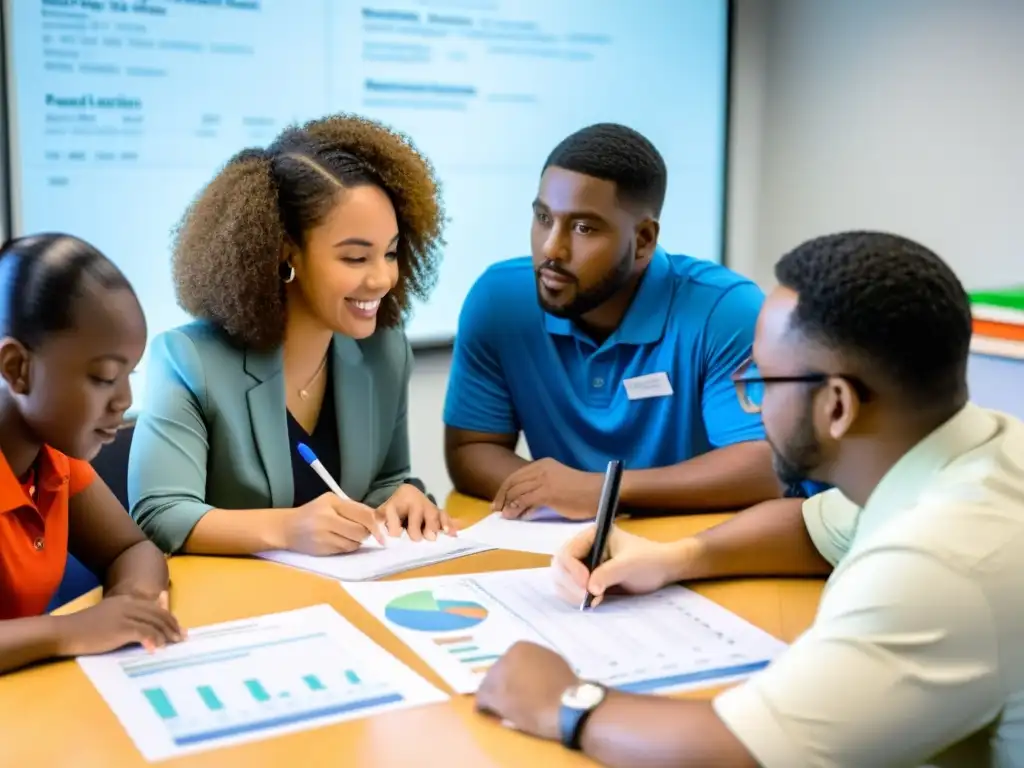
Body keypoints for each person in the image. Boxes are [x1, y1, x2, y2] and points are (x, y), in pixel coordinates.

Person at [474, 231, 1024, 767]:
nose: (754, 405)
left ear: (837, 406)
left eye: (762, 379)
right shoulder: (978, 451)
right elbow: (812, 527)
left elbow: (741, 751)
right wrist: (674, 558)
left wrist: (563, 702)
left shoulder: (940, 563)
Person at [129, 114, 450, 556]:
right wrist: (287, 529)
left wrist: (404, 495)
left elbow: (386, 480)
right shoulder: (188, 360)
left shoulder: (384, 352)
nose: (382, 278)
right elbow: (159, 513)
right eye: (356, 258)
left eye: (391, 253)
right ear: (285, 254)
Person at [443, 123, 779, 520]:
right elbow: (471, 448)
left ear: (643, 241)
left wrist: (604, 492)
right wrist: (554, 495)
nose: (552, 247)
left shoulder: (726, 310)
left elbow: (767, 466)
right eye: (543, 217)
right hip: (561, 550)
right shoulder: (499, 301)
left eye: (583, 228)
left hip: (693, 548)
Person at [0, 234, 181, 675]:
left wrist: (131, 605)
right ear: (17, 368)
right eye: (103, 377)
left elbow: (132, 549)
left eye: (129, 374)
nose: (124, 399)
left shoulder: (53, 459)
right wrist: (72, 630)